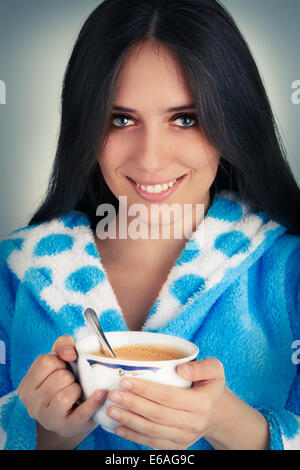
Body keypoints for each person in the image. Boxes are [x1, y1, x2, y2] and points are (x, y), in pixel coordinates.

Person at [0, 0, 299, 451]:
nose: (151, 158)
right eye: (121, 119)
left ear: (232, 121)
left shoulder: (289, 273)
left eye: (185, 119)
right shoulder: (14, 273)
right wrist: (44, 435)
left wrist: (230, 424)